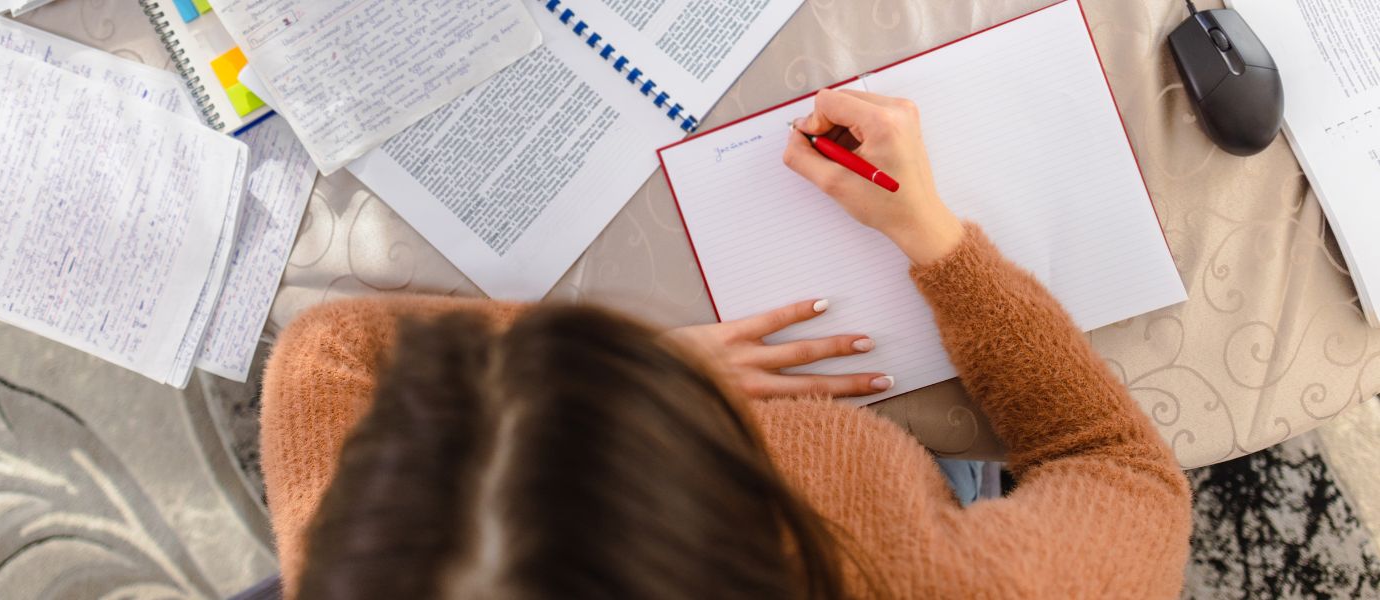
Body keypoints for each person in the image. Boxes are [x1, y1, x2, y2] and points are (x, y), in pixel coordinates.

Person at [258, 89, 1192, 599]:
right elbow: (1117, 470)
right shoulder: (935, 581)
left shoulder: (385, 560)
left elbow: (326, 350)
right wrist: (939, 244)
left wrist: (653, 368)